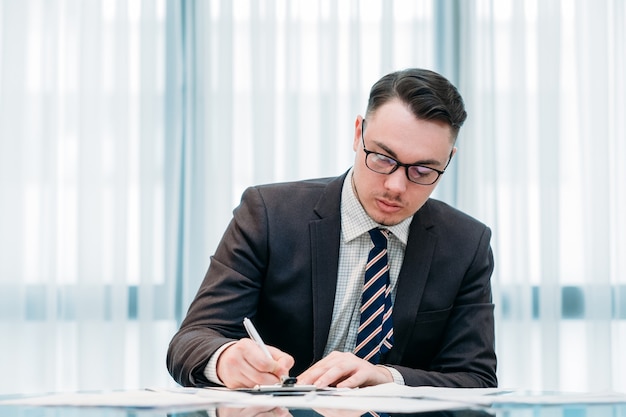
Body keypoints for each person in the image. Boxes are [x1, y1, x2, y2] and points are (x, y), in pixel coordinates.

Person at [167, 68, 497, 389]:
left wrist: (385, 377)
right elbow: (191, 340)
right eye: (383, 158)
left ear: (449, 160)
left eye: (423, 171)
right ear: (358, 133)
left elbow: (475, 378)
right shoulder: (269, 214)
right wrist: (226, 358)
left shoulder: (466, 244)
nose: (396, 186)